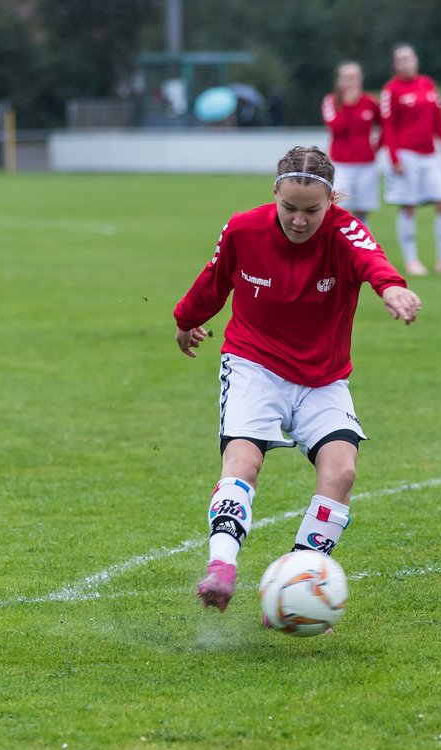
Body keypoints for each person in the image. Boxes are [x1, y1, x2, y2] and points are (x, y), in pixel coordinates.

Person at [172, 146, 422, 613]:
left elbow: (374, 263)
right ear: (275, 194)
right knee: (242, 462)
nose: (300, 220)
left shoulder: (346, 231)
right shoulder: (244, 227)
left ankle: (300, 584)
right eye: (290, 208)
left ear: (331, 203)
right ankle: (221, 568)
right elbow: (214, 279)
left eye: (312, 211)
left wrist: (392, 288)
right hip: (253, 364)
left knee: (342, 469)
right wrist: (187, 319)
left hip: (322, 378)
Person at [380, 43, 441, 276]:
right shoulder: (391, 90)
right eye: (401, 59)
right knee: (409, 206)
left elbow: (438, 118)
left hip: (430, 154)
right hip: (406, 154)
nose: (406, 63)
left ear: (416, 60)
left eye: (409, 58)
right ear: (395, 64)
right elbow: (388, 126)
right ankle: (412, 261)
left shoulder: (428, 84)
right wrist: (394, 157)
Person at [323, 61, 381, 223]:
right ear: (339, 81)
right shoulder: (331, 101)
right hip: (341, 164)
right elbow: (336, 128)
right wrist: (348, 105)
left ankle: (362, 245)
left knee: (362, 210)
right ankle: (337, 244)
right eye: (346, 78)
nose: (350, 82)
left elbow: (386, 125)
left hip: (366, 164)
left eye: (354, 78)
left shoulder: (370, 102)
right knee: (336, 207)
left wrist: (376, 147)